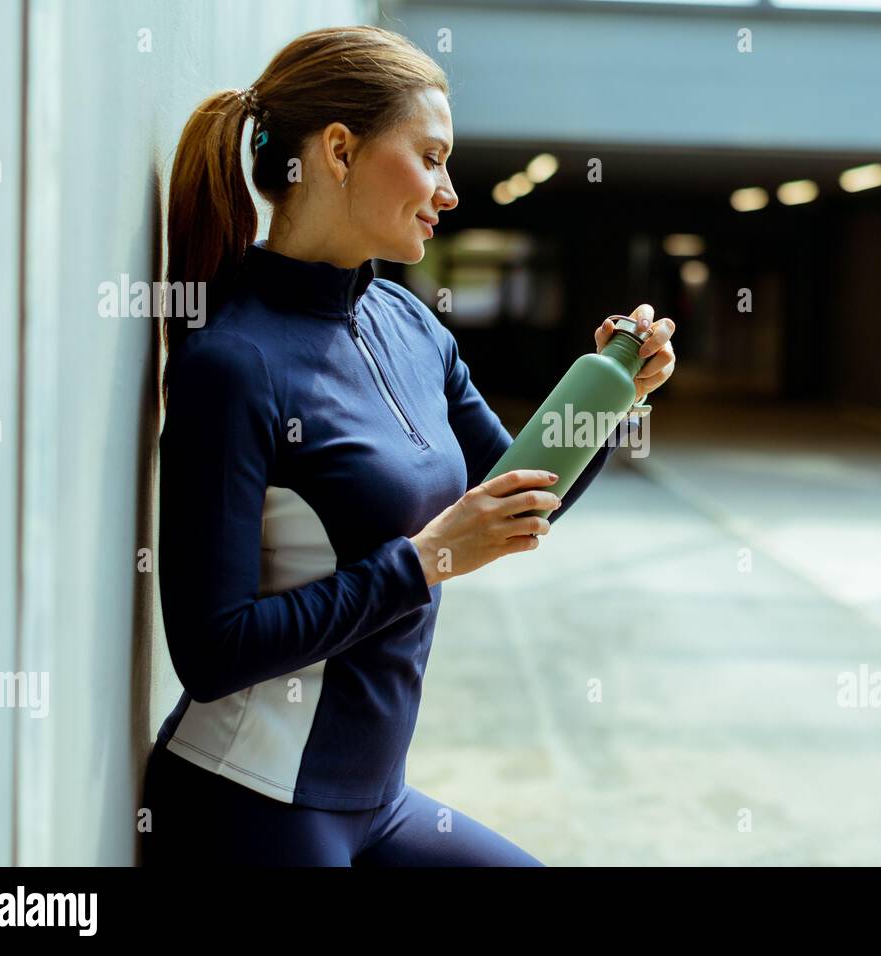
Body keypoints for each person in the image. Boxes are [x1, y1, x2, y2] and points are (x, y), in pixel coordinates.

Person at [141, 25, 677, 866]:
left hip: (379, 804)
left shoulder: (409, 324)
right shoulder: (234, 364)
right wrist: (424, 560)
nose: (450, 190)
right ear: (340, 152)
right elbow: (211, 652)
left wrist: (611, 397)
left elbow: (517, 496)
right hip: (250, 806)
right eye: (430, 157)